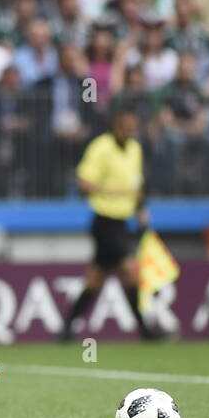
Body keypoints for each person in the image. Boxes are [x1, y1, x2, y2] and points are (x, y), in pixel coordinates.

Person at [58, 107, 159, 342]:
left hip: (123, 222)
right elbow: (83, 181)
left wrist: (141, 209)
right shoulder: (101, 147)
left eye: (134, 128)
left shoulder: (135, 149)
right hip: (104, 222)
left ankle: (66, 329)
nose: (131, 132)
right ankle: (145, 331)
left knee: (95, 278)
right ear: (116, 125)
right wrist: (106, 190)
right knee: (131, 271)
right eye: (127, 127)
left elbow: (137, 185)